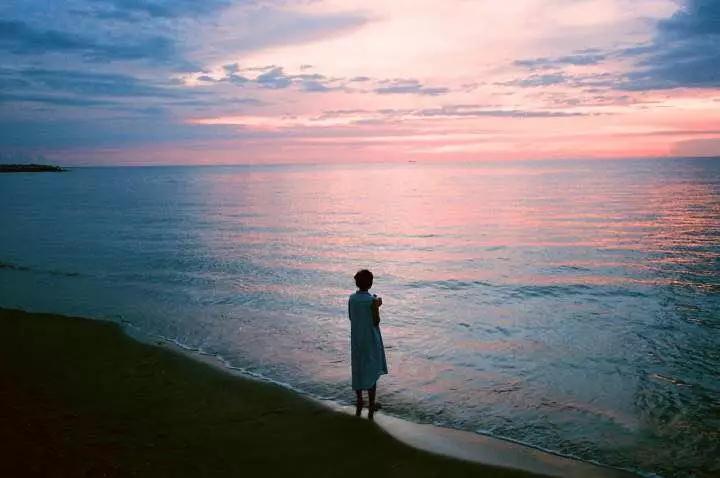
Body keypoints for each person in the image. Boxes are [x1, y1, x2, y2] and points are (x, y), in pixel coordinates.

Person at [348, 269, 388, 420]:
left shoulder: (352, 299)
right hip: (370, 339)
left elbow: (351, 317)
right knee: (371, 367)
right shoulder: (371, 301)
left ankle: (359, 399)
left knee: (358, 367)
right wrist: (376, 305)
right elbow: (376, 321)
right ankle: (371, 403)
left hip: (357, 338)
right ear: (370, 284)